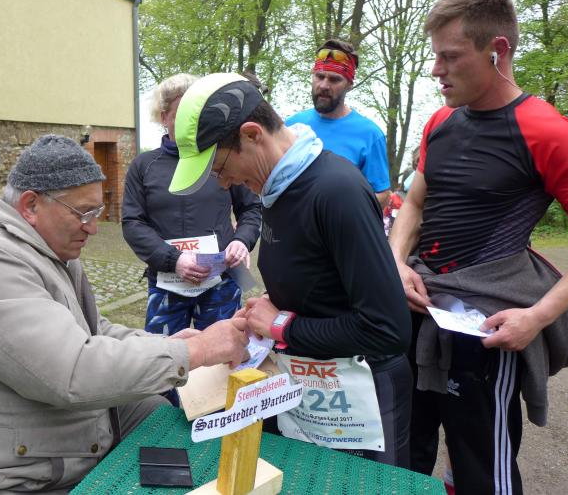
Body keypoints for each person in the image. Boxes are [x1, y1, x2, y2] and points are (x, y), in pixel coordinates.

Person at [0, 134, 250, 494]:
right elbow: (74, 373)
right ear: (31, 205)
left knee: (160, 414)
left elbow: (92, 330)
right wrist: (197, 351)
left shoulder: (45, 249)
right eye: (84, 213)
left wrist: (168, 344)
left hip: (41, 444)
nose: (94, 228)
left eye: (97, 213)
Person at [388, 0, 568, 495]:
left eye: (450, 56)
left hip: (487, 328)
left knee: (483, 471)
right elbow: (415, 204)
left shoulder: (549, 132)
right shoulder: (440, 122)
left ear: (497, 50)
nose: (436, 70)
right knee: (404, 457)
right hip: (417, 314)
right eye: (435, 55)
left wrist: (538, 316)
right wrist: (396, 262)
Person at [168, 73, 412, 467]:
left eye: (219, 168)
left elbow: (388, 330)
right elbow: (320, 278)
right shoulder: (276, 188)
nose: (224, 183)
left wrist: (280, 324)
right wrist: (267, 310)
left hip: (364, 402)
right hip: (314, 390)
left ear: (252, 134)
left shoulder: (337, 191)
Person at [122, 73, 261, 337]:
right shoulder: (144, 166)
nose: (190, 120)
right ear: (164, 117)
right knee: (164, 356)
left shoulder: (223, 156)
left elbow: (252, 209)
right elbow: (132, 222)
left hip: (220, 280)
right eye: (180, 113)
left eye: (195, 113)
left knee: (224, 351)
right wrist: (174, 260)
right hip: (167, 282)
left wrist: (242, 240)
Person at [286, 39, 391, 208]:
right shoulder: (292, 126)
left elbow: (382, 195)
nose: (324, 85)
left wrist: (339, 215)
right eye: (319, 76)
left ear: (349, 85)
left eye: (334, 80)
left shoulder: (370, 134)